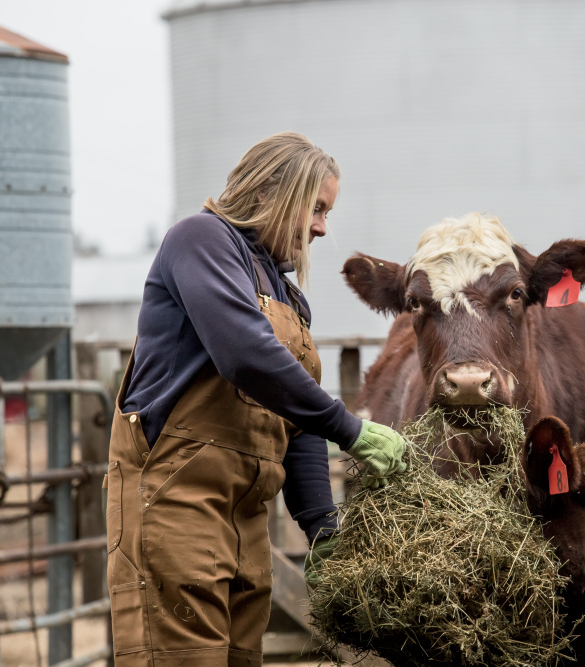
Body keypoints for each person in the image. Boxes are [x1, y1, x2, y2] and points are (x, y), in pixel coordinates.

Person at [104, 132, 407, 667]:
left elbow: (296, 417)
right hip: (176, 505)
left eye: (327, 212)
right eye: (315, 208)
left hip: (246, 522)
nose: (322, 227)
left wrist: (322, 525)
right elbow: (245, 355)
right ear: (269, 191)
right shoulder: (201, 240)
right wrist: (351, 430)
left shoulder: (289, 297)